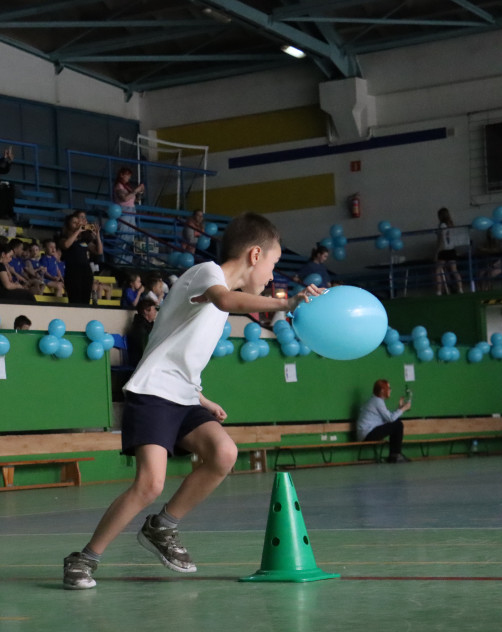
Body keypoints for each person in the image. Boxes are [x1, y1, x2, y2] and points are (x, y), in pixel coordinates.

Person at [62, 211, 321, 590]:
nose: (271, 274)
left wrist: (201, 396)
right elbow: (225, 301)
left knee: (224, 454)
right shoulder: (206, 273)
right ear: (254, 255)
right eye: (273, 263)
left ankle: (162, 527)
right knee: (149, 485)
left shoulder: (221, 295)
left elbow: (176, 344)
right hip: (153, 392)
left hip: (183, 394)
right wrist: (286, 304)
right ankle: (83, 558)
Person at [357, 379, 412, 463]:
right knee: (398, 425)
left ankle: (395, 455)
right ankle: (395, 455)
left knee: (396, 424)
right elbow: (390, 419)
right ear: (382, 390)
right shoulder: (377, 401)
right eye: (388, 388)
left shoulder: (375, 401)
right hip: (368, 434)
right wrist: (403, 409)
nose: (390, 390)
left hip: (366, 433)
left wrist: (399, 408)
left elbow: (388, 417)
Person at [59, 213, 103, 305]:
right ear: (68, 225)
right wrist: (78, 231)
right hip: (73, 272)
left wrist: (97, 236)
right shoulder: (63, 238)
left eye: (78, 222)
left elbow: (98, 251)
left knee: (85, 299)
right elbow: (66, 245)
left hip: (86, 272)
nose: (77, 224)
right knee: (75, 298)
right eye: (74, 222)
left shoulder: (83, 240)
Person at [112, 167, 144, 265]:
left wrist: (140, 193)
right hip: (124, 211)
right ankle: (118, 261)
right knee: (123, 235)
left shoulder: (127, 187)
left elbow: (135, 200)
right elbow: (125, 198)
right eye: (127, 175)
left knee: (131, 237)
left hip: (132, 212)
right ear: (121, 174)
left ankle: (127, 261)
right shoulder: (118, 186)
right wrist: (136, 190)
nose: (128, 178)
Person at [434, 207, 464, 295]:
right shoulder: (451, 224)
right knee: (454, 270)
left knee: (438, 270)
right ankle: (460, 288)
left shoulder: (442, 225)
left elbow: (441, 239)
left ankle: (439, 290)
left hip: (444, 250)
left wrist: (436, 252)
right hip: (451, 249)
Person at [126, 297, 157, 368]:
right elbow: (143, 348)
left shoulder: (150, 325)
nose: (155, 311)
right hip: (140, 360)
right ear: (146, 311)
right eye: (154, 309)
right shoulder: (139, 328)